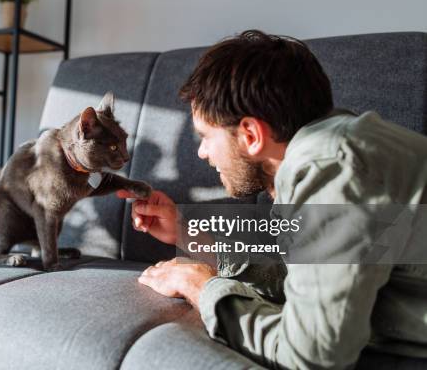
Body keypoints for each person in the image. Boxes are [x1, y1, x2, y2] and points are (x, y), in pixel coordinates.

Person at [117, 30, 427, 369]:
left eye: (206, 137)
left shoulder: (331, 168)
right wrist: (186, 234)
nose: (203, 153)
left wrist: (202, 288)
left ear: (251, 134)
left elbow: (311, 357)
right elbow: (305, 275)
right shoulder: (332, 145)